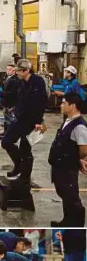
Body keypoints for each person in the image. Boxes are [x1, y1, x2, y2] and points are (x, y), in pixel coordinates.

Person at [0, 59, 47, 183]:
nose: (17, 73)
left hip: (31, 120)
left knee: (25, 149)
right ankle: (19, 165)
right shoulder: (21, 82)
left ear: (27, 71)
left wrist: (38, 121)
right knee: (6, 142)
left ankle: (25, 176)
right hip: (20, 117)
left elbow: (40, 103)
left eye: (19, 71)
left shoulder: (37, 82)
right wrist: (14, 105)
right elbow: (16, 96)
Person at [49, 93, 87, 227]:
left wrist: (77, 159)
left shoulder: (79, 126)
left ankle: (76, 225)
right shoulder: (68, 120)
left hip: (67, 167)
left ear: (73, 106)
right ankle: (67, 221)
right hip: (60, 165)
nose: (61, 105)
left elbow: (84, 149)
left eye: (64, 103)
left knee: (71, 197)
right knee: (64, 194)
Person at [0, 64, 19, 134]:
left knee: (9, 120)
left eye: (9, 69)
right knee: (6, 119)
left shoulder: (14, 80)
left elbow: (11, 94)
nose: (7, 71)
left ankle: (9, 134)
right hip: (5, 102)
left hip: (9, 103)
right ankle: (5, 132)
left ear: (14, 71)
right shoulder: (8, 78)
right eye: (7, 69)